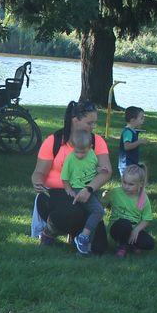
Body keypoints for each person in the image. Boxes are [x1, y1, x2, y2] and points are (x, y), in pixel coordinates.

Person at [30, 100, 110, 246]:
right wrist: (37, 182)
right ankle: (49, 231)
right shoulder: (54, 141)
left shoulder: (96, 141)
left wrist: (89, 189)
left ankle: (76, 235)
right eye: (89, 123)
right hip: (54, 195)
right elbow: (39, 172)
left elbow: (106, 172)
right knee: (72, 213)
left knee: (99, 246)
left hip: (85, 193)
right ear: (75, 120)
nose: (93, 127)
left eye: (94, 123)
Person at [60, 129, 106, 256]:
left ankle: (85, 247)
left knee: (94, 217)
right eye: (77, 151)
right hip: (79, 189)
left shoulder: (92, 154)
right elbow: (64, 177)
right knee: (98, 211)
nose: (79, 155)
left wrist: (100, 169)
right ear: (72, 147)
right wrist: (68, 189)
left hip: (92, 189)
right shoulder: (70, 159)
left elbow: (93, 167)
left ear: (90, 147)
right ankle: (83, 237)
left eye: (83, 152)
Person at [107, 163, 155, 257]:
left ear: (141, 184)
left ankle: (130, 244)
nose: (126, 186)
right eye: (124, 182)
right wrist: (105, 199)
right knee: (125, 224)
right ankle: (122, 246)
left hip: (133, 230)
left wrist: (136, 230)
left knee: (149, 243)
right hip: (117, 228)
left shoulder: (143, 198)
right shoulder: (115, 193)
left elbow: (146, 219)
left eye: (131, 184)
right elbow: (102, 204)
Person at [118, 106, 145, 176]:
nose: (143, 120)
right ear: (132, 120)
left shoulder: (132, 131)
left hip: (131, 163)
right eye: (141, 118)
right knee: (128, 182)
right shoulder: (128, 132)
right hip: (126, 164)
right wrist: (139, 142)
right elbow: (127, 146)